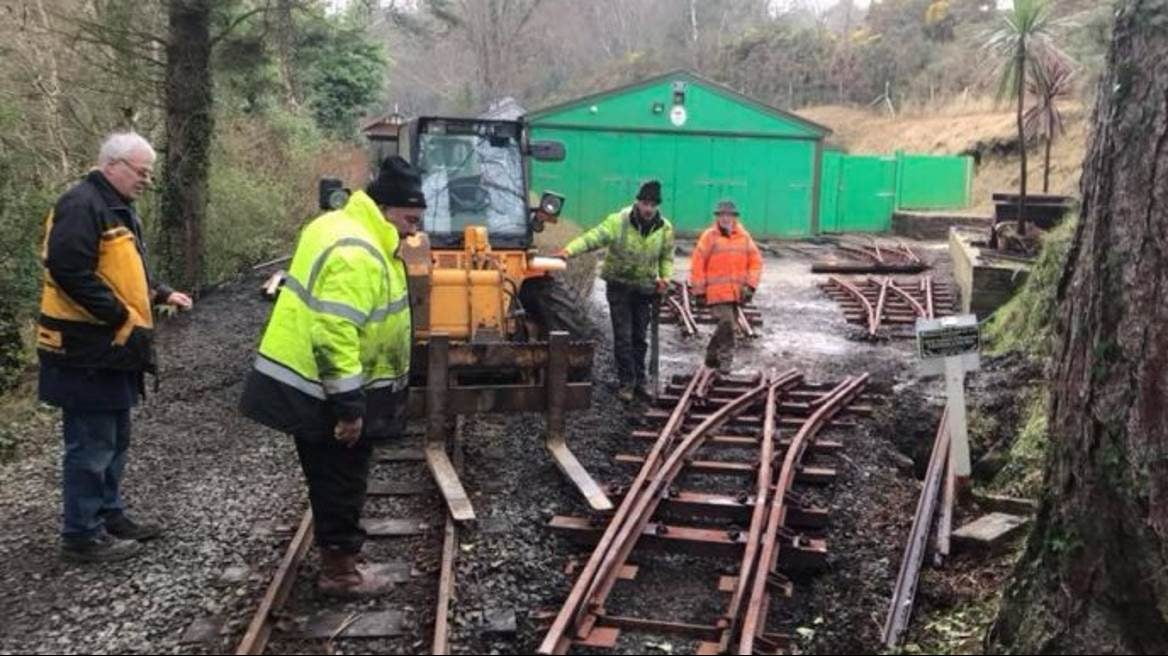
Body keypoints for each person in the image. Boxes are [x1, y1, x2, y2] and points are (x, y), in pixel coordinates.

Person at [240, 156, 422, 597]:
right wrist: (349, 408)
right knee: (341, 476)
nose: (413, 231)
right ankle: (339, 572)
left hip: (306, 379)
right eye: (409, 219)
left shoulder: (335, 224)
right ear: (384, 210)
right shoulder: (359, 252)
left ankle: (339, 556)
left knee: (329, 474)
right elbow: (335, 331)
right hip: (323, 388)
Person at [37, 132, 194, 563]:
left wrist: (161, 293)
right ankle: (81, 536)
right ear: (113, 165)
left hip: (112, 349)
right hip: (84, 350)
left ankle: (108, 514)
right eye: (141, 172)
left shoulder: (116, 208)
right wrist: (120, 314)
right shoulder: (80, 204)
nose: (146, 180)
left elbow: (126, 269)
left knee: (114, 438)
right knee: (91, 444)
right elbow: (68, 268)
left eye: (149, 173)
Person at [556, 180, 674, 402]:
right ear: (637, 202)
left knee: (640, 336)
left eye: (652, 205)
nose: (648, 208)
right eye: (645, 203)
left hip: (644, 288)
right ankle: (626, 383)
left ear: (657, 206)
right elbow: (593, 238)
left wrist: (665, 278)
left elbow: (666, 257)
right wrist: (569, 251)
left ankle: (641, 381)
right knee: (623, 336)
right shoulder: (618, 221)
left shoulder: (664, 228)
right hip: (619, 286)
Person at [689, 200, 762, 374]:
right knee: (728, 324)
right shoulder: (709, 237)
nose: (725, 218)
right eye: (722, 215)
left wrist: (750, 286)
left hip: (736, 294)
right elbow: (697, 264)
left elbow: (756, 262)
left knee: (726, 324)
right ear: (717, 217)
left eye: (729, 215)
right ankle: (725, 361)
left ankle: (712, 354)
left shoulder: (744, 237)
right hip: (715, 294)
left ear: (734, 217)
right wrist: (699, 292)